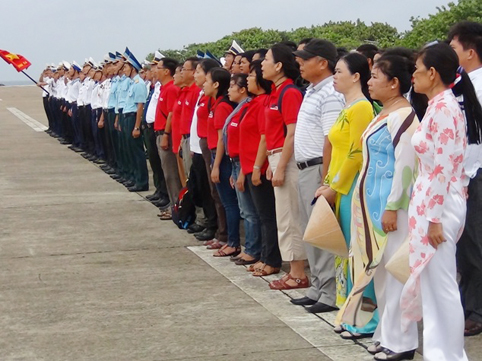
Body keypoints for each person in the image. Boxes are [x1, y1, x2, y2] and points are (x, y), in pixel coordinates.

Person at [400, 42, 482, 361]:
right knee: (432, 285)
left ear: (432, 73)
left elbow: (445, 170)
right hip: (430, 203)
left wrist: (434, 217)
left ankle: (450, 355)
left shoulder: (445, 108)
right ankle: (439, 352)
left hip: (439, 206)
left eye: (417, 71)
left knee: (443, 283)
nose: (414, 77)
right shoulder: (437, 105)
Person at [339, 51, 422, 360]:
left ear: (395, 83)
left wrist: (393, 206)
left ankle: (402, 342)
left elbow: (405, 166)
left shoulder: (404, 116)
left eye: (375, 77)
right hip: (372, 205)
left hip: (392, 209)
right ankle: (386, 333)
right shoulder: (383, 112)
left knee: (396, 273)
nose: (369, 82)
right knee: (381, 273)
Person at [315, 52, 377, 338]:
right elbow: (338, 151)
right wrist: (327, 181)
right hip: (339, 187)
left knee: (358, 252)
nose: (335, 76)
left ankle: (366, 318)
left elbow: (355, 155)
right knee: (345, 253)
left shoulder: (362, 108)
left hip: (351, 187)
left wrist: (334, 185)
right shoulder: (347, 107)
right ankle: (349, 312)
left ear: (356, 76)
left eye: (339, 71)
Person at [290, 39, 344, 313]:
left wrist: (326, 180)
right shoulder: (312, 90)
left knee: (322, 230)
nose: (299, 63)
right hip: (305, 169)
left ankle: (330, 292)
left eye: (305, 59)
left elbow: (331, 140)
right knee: (310, 231)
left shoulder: (331, 94)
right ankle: (318, 287)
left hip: (318, 169)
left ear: (322, 63)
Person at [261, 44, 308, 288]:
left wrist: (280, 166)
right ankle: (293, 270)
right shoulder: (275, 91)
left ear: (279, 66)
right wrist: (271, 162)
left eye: (266, 59)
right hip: (277, 156)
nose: (262, 64)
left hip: (286, 159)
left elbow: (292, 133)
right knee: (284, 216)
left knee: (290, 216)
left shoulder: (289, 92)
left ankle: (298, 272)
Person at [448, 21, 482, 337]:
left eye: (454, 48)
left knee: (473, 244)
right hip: (463, 176)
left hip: (475, 174)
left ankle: (476, 310)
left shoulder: (477, 86)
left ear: (470, 52)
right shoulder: (462, 85)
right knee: (465, 243)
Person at [242, 60, 282, 275]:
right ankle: (265, 256)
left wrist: (258, 166)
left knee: (267, 216)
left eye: (250, 75)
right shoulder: (255, 102)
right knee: (260, 214)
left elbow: (264, 138)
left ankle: (271, 259)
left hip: (260, 165)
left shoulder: (265, 102)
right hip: (249, 165)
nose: (247, 79)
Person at [204, 67, 241, 257]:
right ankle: (225, 237)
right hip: (215, 154)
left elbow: (221, 139)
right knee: (223, 200)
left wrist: (216, 165)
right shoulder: (216, 104)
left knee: (229, 202)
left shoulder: (222, 106)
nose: (203, 84)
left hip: (223, 158)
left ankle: (232, 241)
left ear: (216, 84)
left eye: (207, 80)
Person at [226, 73, 262, 265]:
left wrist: (240, 171)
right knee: (244, 209)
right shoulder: (242, 108)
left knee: (250, 211)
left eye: (233, 86)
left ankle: (252, 249)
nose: (228, 90)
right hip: (236, 162)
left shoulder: (249, 106)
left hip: (244, 162)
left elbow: (250, 140)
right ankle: (250, 247)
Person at [193, 59, 228, 247]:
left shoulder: (218, 104)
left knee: (220, 195)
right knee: (214, 193)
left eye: (201, 73)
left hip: (215, 149)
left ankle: (224, 235)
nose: (199, 79)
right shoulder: (209, 99)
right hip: (207, 147)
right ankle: (219, 232)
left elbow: (221, 135)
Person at [154, 57, 183, 219]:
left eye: (158, 67)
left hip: (167, 135)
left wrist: (165, 135)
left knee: (172, 174)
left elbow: (171, 114)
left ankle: (177, 208)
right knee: (167, 174)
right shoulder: (165, 88)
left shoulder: (171, 89)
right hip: (160, 133)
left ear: (166, 71)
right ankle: (174, 205)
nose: (155, 70)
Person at [121, 49, 148, 192]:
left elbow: (140, 107)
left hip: (133, 118)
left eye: (126, 67)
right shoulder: (132, 83)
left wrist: (137, 127)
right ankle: (135, 178)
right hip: (127, 117)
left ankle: (142, 182)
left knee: (137, 152)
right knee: (130, 151)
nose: (124, 70)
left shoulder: (139, 84)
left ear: (132, 68)